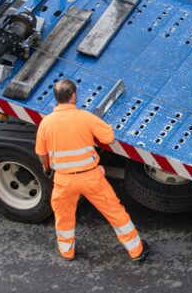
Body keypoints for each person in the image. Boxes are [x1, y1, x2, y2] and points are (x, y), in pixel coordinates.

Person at [35, 78, 149, 262]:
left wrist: (46, 167)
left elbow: (42, 153)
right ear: (73, 96)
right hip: (91, 177)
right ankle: (136, 250)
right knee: (115, 212)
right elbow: (109, 138)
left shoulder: (46, 123)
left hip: (64, 180)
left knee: (63, 217)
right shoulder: (85, 117)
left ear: (56, 98)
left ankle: (67, 251)